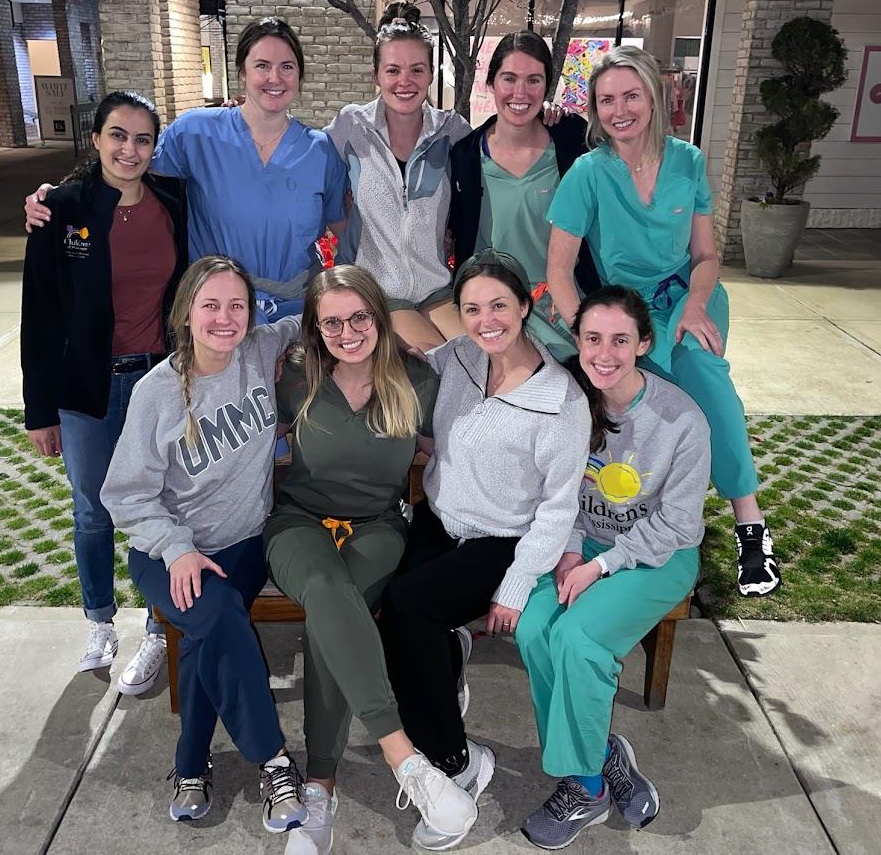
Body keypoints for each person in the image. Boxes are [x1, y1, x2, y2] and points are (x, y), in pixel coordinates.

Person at [545, 45, 782, 597]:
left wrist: (697, 305)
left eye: (631, 95)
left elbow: (706, 257)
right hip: (626, 307)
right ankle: (654, 507)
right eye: (606, 100)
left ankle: (751, 523)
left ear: (655, 97)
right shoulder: (587, 172)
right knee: (638, 398)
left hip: (688, 297)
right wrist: (592, 334)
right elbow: (558, 270)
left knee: (703, 376)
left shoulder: (689, 161)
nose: (619, 109)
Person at [379, 249, 592, 851]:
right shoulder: (464, 357)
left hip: (503, 539)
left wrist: (517, 585)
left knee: (407, 607)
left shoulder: (561, 403)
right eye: (471, 308)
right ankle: (442, 676)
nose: (485, 319)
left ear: (526, 306)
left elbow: (557, 510)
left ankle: (456, 761)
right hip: (440, 516)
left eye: (499, 305)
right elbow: (402, 343)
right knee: (383, 600)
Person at [265, 264, 477, 855]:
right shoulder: (297, 379)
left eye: (360, 317)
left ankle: (319, 786)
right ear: (315, 328)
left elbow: (462, 444)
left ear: (380, 318)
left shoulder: (418, 381)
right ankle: (404, 759)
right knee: (330, 597)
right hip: (298, 522)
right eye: (331, 322)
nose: (348, 331)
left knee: (336, 614)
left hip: (380, 527)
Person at [99, 256, 307, 833]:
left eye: (236, 305)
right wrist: (176, 548)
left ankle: (191, 766)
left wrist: (399, 350)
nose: (224, 317)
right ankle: (273, 760)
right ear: (185, 313)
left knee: (203, 634)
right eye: (210, 305)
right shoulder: (155, 393)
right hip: (168, 554)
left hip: (241, 545)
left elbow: (311, 321)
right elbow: (124, 495)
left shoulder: (261, 351)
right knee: (214, 618)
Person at [514, 286, 708, 849]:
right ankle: (600, 753)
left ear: (643, 343)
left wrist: (602, 567)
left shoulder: (681, 420)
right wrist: (573, 549)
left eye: (620, 340)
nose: (605, 352)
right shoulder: (572, 402)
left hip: (658, 557)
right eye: (592, 338)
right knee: (532, 629)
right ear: (576, 341)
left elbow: (677, 525)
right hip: (584, 549)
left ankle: (589, 786)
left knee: (578, 639)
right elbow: (559, 493)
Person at [20, 90, 187, 693]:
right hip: (86, 386)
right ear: (95, 139)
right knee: (93, 511)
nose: (130, 149)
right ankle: (99, 621)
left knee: (157, 505)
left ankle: (156, 626)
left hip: (157, 380)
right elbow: (37, 314)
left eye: (143, 139)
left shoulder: (174, 201)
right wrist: (40, 410)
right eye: (118, 135)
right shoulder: (61, 209)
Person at [25, 17, 348, 321]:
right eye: (262, 66)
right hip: (215, 314)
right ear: (242, 73)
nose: (274, 78)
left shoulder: (319, 151)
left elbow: (344, 233)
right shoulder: (195, 133)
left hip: (295, 313)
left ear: (300, 75)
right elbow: (127, 168)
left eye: (287, 67)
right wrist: (64, 197)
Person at [323, 1, 471, 352]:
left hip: (435, 286)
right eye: (393, 70)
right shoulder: (350, 127)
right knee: (439, 361)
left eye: (417, 70)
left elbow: (500, 149)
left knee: (478, 351)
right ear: (376, 75)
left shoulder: (451, 131)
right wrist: (245, 118)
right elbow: (298, 153)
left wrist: (553, 123)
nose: (405, 82)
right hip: (373, 290)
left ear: (431, 75)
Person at [448, 30, 600, 360]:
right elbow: (454, 231)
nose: (520, 92)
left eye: (533, 80)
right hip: (496, 306)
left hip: (562, 302)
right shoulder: (465, 156)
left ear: (547, 87)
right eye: (509, 78)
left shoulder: (573, 141)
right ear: (491, 84)